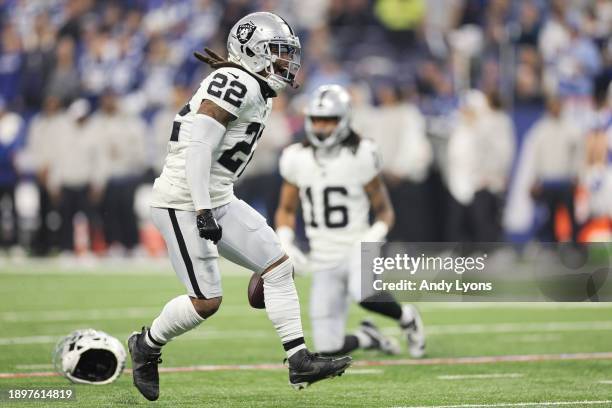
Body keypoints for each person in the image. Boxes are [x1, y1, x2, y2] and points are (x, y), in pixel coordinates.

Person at [127, 12, 351, 402]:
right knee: (206, 303)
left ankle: (299, 361)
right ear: (251, 52)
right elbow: (198, 147)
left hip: (217, 196)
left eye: (287, 54)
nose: (286, 62)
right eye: (278, 52)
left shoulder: (251, 85)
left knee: (279, 266)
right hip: (183, 200)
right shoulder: (237, 81)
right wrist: (201, 209)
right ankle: (146, 346)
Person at [275, 84, 426, 358]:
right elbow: (286, 208)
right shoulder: (295, 158)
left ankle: (407, 317)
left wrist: (373, 235)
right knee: (327, 348)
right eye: (317, 120)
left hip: (358, 244)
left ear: (343, 120)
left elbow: (384, 211)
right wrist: (285, 241)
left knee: (364, 292)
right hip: (322, 256)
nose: (321, 127)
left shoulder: (361, 154)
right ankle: (369, 338)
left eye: (329, 120)